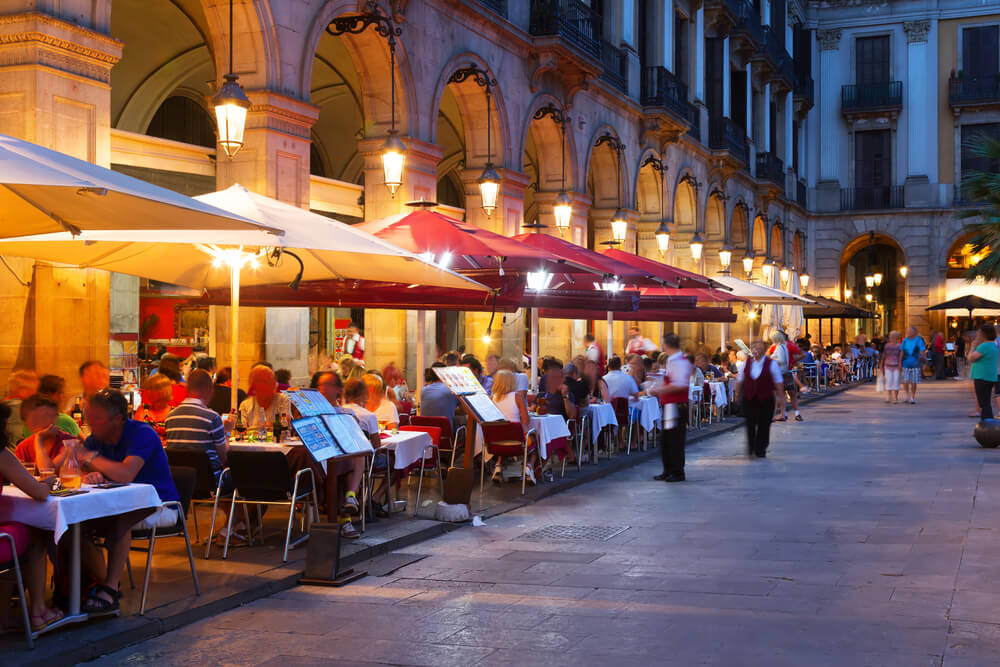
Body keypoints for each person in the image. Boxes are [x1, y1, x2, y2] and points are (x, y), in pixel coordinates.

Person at [77, 389, 180, 615]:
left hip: (161, 505)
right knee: (75, 526)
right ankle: (102, 582)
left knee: (120, 518)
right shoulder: (98, 438)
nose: (90, 424)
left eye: (96, 419)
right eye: (88, 418)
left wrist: (92, 460)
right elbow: (76, 464)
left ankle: (110, 588)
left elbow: (125, 474)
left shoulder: (142, 434)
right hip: (120, 504)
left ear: (117, 420)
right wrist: (88, 475)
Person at [0, 403, 63, 631]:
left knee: (17, 530)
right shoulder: (2, 454)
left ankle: (5, 613)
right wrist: (46, 482)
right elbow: (38, 493)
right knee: (35, 533)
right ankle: (38, 612)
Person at [311, 371, 362, 538]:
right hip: (317, 458)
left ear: (338, 390)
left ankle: (350, 498)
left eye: (328, 385)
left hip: (339, 457)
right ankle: (346, 516)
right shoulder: (309, 413)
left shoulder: (347, 414)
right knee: (342, 463)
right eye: (320, 385)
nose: (323, 389)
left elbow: (355, 440)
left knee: (354, 456)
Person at [164, 369, 227, 482]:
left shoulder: (170, 416)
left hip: (180, 481)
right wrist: (226, 431)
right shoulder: (212, 417)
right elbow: (224, 457)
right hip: (210, 480)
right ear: (209, 390)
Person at [646, 333, 692, 482]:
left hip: (676, 405)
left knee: (675, 439)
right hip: (671, 405)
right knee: (667, 439)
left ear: (666, 344)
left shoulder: (678, 361)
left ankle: (677, 471)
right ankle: (668, 469)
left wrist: (659, 389)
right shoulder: (673, 361)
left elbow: (679, 384)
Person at [735, 340, 784, 458]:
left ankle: (761, 448)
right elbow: (740, 379)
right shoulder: (746, 363)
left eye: (759, 347)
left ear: (764, 350)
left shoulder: (771, 364)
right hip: (750, 398)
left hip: (766, 399)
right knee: (750, 423)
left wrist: (781, 398)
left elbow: (778, 382)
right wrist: (737, 395)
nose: (756, 350)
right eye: (754, 347)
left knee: (764, 424)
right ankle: (751, 447)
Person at [488, 370, 535, 484]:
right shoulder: (517, 396)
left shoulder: (492, 397)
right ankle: (529, 467)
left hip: (495, 443)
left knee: (502, 434)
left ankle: (498, 465)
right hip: (517, 443)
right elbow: (526, 420)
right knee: (535, 442)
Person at [14, 394, 76, 468]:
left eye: (53, 416)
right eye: (44, 416)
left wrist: (38, 439)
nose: (50, 421)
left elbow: (48, 472)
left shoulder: (69, 442)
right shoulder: (22, 448)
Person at [238, 365, 292, 430]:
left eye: (273, 379)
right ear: (254, 385)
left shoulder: (282, 399)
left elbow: (285, 424)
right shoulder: (245, 405)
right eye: (266, 381)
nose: (273, 383)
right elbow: (241, 429)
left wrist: (259, 427)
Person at [768, 331, 804, 422]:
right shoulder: (783, 346)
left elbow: (780, 360)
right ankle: (785, 414)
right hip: (787, 372)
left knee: (778, 395)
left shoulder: (779, 347)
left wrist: (771, 360)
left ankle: (777, 415)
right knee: (787, 394)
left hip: (780, 373)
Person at [968, 324, 999, 419]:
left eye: (979, 332)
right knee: (986, 402)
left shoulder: (984, 346)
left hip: (982, 376)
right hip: (989, 376)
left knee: (984, 403)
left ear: (983, 334)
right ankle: (988, 423)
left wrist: (972, 346)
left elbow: (971, 358)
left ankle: (987, 424)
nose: (977, 335)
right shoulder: (993, 345)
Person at [133, 374, 176, 442]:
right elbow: (135, 434)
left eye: (152, 389)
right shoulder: (143, 409)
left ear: (163, 391)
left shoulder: (174, 413)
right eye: (148, 388)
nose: (147, 392)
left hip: (167, 452)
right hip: (145, 450)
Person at [4, 370, 39, 447]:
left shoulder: (5, 407)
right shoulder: (20, 409)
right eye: (34, 390)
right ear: (23, 390)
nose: (36, 394)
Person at [418, 363, 458, 429]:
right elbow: (463, 409)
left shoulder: (424, 390)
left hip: (427, 433)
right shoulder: (451, 389)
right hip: (445, 433)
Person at [901, 326, 926, 404]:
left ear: (915, 332)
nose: (908, 333)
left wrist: (923, 358)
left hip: (916, 364)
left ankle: (912, 397)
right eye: (907, 331)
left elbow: (922, 350)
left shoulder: (918, 340)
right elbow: (901, 351)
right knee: (905, 381)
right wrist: (899, 362)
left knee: (913, 381)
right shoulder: (904, 340)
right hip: (905, 363)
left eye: (910, 331)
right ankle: (907, 396)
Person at [879, 331, 904, 404]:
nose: (891, 338)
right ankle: (889, 396)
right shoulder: (887, 345)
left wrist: (900, 364)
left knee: (896, 381)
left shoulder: (899, 346)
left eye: (893, 336)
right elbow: (884, 355)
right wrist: (881, 364)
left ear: (896, 337)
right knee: (888, 381)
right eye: (891, 336)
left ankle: (895, 398)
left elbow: (901, 356)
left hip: (896, 366)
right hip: (887, 365)